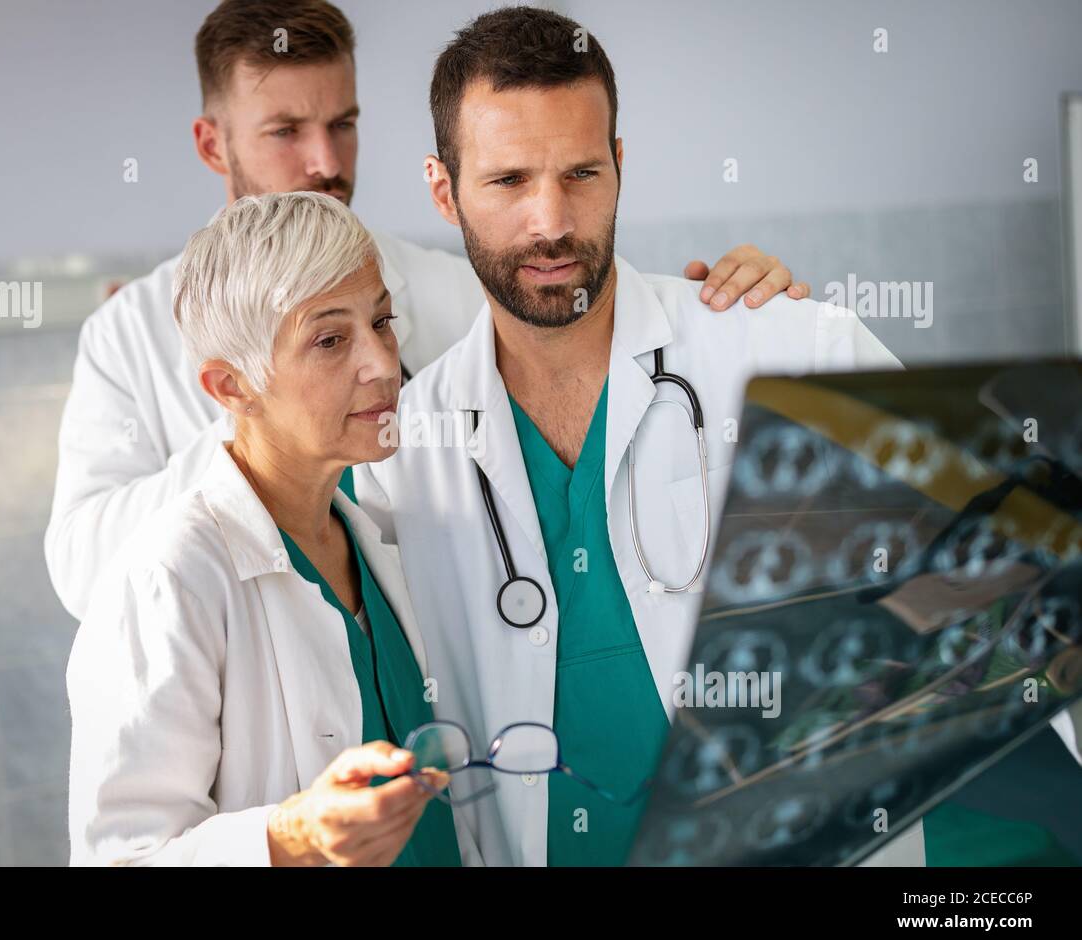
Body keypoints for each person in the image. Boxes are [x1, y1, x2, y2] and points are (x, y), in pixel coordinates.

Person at [352, 5, 1082, 868]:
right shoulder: (400, 454)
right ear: (445, 189)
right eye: (509, 181)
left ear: (620, 166)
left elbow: (1030, 555)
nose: (550, 222)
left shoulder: (783, 344)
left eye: (581, 173)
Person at [44, 0, 808, 621]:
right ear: (214, 145)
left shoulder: (449, 287)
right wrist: (268, 428)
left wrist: (736, 305)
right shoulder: (130, 334)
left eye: (343, 124)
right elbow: (84, 572)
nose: (325, 162)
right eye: (285, 132)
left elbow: (577, 325)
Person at [67, 191, 477, 866]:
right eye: (329, 339)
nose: (379, 362)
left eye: (381, 321)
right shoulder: (168, 579)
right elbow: (122, 859)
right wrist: (291, 838)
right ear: (231, 388)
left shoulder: (372, 540)